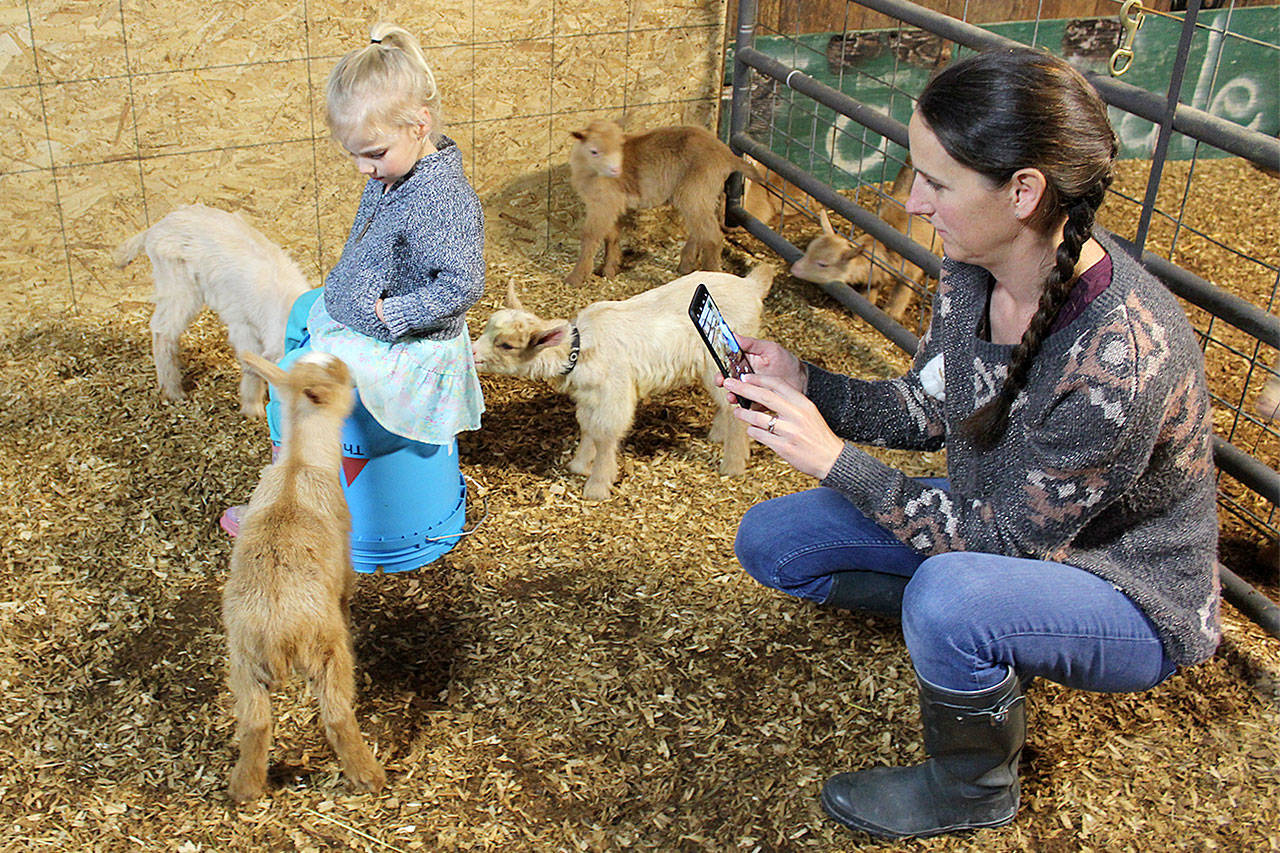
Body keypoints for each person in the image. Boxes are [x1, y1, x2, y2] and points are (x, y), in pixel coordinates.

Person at [723, 47, 1219, 840]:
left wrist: (835, 460)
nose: (914, 202)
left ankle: (972, 786)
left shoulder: (1119, 354)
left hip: (1122, 585)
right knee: (776, 540)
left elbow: (1011, 544)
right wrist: (806, 381)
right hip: (1002, 521)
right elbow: (929, 405)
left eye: (938, 183)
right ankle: (979, 638)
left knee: (951, 596)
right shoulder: (971, 270)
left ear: (1023, 191)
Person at [221, 22, 485, 536]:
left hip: (406, 341)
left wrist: (395, 313)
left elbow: (462, 284)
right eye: (354, 155)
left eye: (373, 153)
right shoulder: (398, 170)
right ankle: (293, 452)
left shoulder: (442, 201)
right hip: (362, 308)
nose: (364, 167)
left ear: (420, 124)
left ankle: (289, 499)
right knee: (301, 310)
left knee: (293, 378)